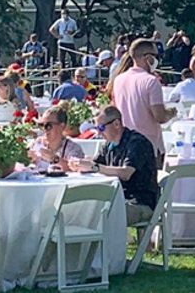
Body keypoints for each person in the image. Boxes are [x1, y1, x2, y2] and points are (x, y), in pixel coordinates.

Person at [71, 106, 157, 226]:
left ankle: (110, 245)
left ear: (116, 124)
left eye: (101, 127)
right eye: (97, 128)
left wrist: (94, 167)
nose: (99, 133)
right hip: (118, 199)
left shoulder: (137, 142)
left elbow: (126, 173)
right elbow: (96, 164)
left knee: (100, 215)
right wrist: (80, 164)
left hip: (140, 202)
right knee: (82, 209)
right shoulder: (108, 145)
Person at [112, 39, 168, 169]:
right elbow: (159, 117)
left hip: (125, 142)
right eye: (156, 56)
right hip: (149, 144)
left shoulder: (118, 80)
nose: (157, 60)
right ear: (147, 57)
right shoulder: (152, 81)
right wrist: (171, 114)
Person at [28, 106, 85, 172]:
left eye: (48, 125)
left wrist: (55, 159)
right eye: (41, 125)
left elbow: (77, 169)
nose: (44, 129)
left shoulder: (73, 148)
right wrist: (28, 160)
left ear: (62, 126)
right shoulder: (35, 144)